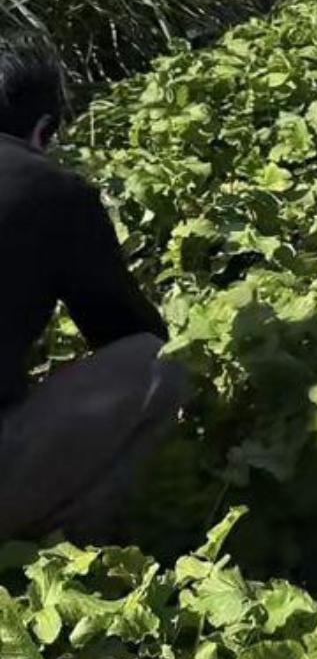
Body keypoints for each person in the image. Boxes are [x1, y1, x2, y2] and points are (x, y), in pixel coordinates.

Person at [0, 28, 188, 544]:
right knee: (156, 363)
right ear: (42, 131)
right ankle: (69, 542)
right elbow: (124, 330)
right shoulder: (50, 192)